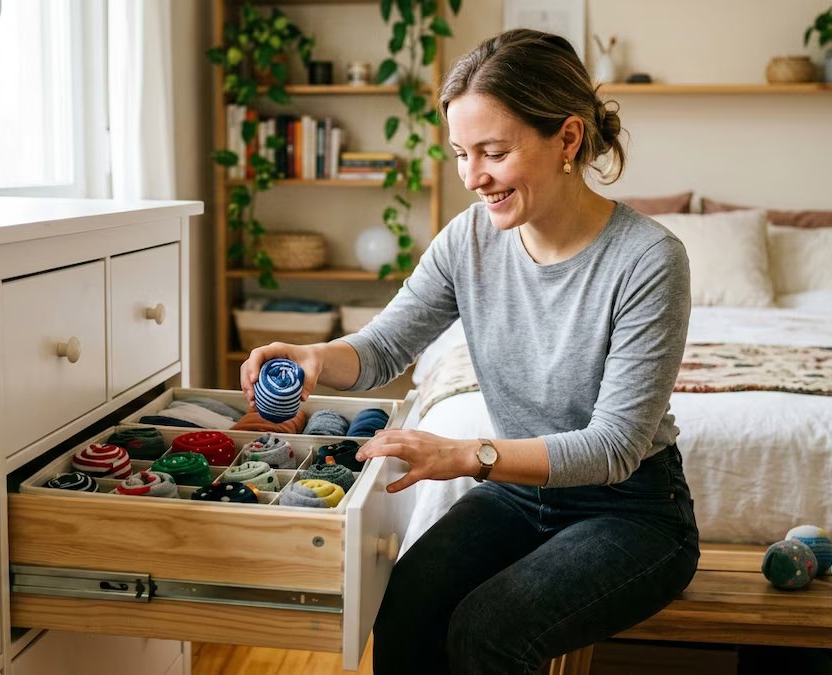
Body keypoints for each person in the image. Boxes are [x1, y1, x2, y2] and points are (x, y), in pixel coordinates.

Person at [241, 28, 699, 675]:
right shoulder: (470, 240)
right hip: (519, 493)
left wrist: (466, 454)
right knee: (404, 606)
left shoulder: (648, 259)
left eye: (494, 152)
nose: (473, 177)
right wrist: (317, 356)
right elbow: (383, 347)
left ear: (568, 139)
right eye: (461, 153)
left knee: (487, 631)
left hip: (632, 512)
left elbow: (613, 448)